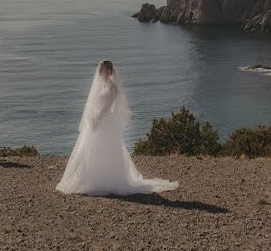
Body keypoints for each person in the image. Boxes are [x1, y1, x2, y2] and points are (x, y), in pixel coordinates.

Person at [56, 60, 179, 196]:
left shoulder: (112, 88)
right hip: (97, 119)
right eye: (100, 70)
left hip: (104, 121)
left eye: (103, 70)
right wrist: (91, 117)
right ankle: (89, 178)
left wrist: (96, 118)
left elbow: (106, 107)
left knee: (104, 149)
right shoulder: (100, 85)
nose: (100, 73)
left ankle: (105, 181)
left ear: (109, 72)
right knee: (89, 147)